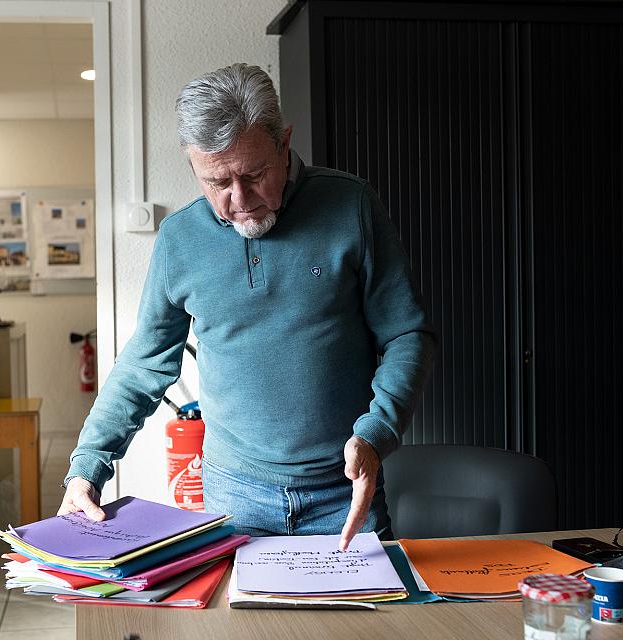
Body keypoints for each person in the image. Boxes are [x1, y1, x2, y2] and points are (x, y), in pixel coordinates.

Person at [59, 63, 435, 551]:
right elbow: (143, 364)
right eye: (217, 182)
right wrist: (88, 466)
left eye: (254, 175)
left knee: (372, 606)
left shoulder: (351, 206)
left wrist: (376, 432)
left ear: (284, 144)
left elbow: (407, 335)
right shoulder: (178, 239)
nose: (239, 200)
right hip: (233, 495)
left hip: (345, 489)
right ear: (192, 164)